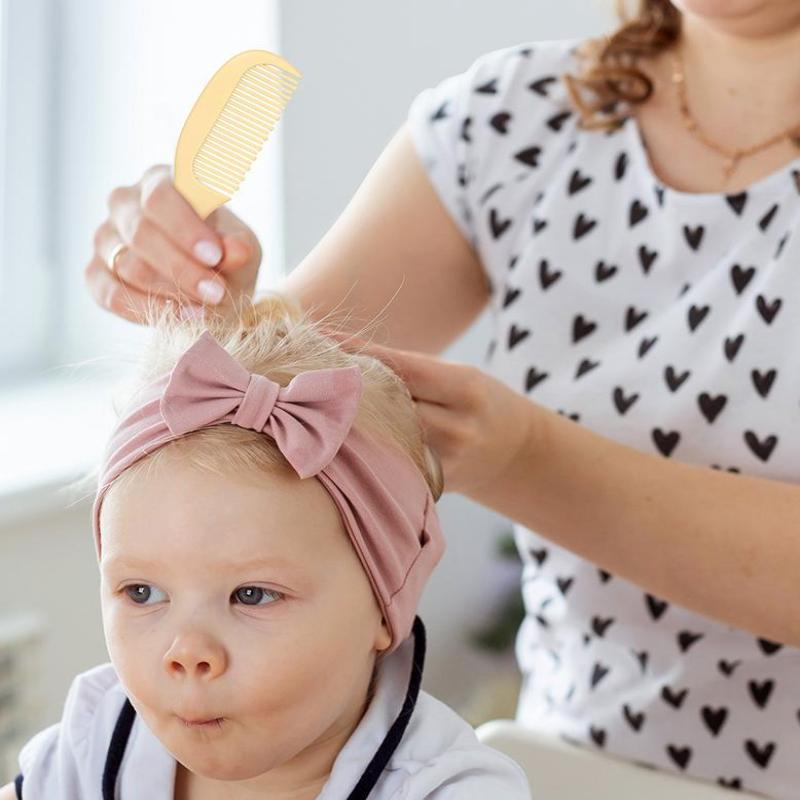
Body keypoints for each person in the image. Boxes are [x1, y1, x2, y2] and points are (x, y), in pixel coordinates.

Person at [80, 1, 800, 797]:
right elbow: (268, 400)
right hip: (576, 767)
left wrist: (528, 460)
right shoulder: (515, 121)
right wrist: (206, 300)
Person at [0, 296, 532, 799]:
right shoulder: (94, 739)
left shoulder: (448, 789)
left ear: (384, 599)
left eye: (251, 595)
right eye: (142, 592)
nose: (186, 653)